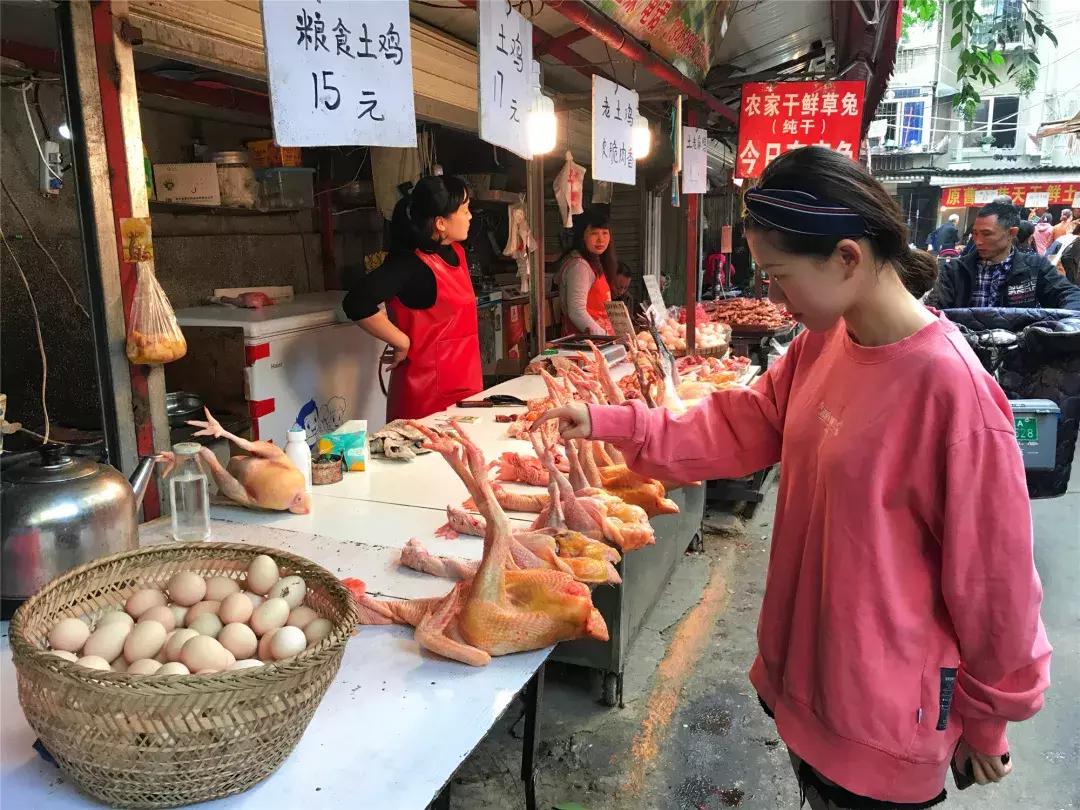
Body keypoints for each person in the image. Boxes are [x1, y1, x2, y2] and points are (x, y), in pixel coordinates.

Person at [536, 146, 1051, 810]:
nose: (772, 297)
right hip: (808, 687)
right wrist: (610, 423)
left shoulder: (954, 394)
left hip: (885, 723)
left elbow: (996, 586)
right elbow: (738, 425)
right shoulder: (824, 343)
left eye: (779, 276)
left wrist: (987, 719)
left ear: (847, 257)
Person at [342, 175, 482, 420]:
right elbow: (356, 302)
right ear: (440, 223)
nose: (470, 216)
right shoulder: (410, 264)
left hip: (466, 390)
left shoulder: (457, 253)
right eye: (465, 210)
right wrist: (401, 341)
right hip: (424, 399)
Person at [927, 201, 1080, 309]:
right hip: (965, 349)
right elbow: (934, 308)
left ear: (1011, 233)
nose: (978, 241)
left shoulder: (1035, 268)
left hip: (1018, 349)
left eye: (987, 234)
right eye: (975, 234)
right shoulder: (955, 270)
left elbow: (1067, 294)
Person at [556, 208, 617, 335]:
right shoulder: (579, 266)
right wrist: (604, 336)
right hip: (585, 343)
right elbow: (576, 311)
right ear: (582, 236)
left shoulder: (594, 261)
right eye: (594, 233)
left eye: (605, 233)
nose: (601, 239)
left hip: (599, 340)